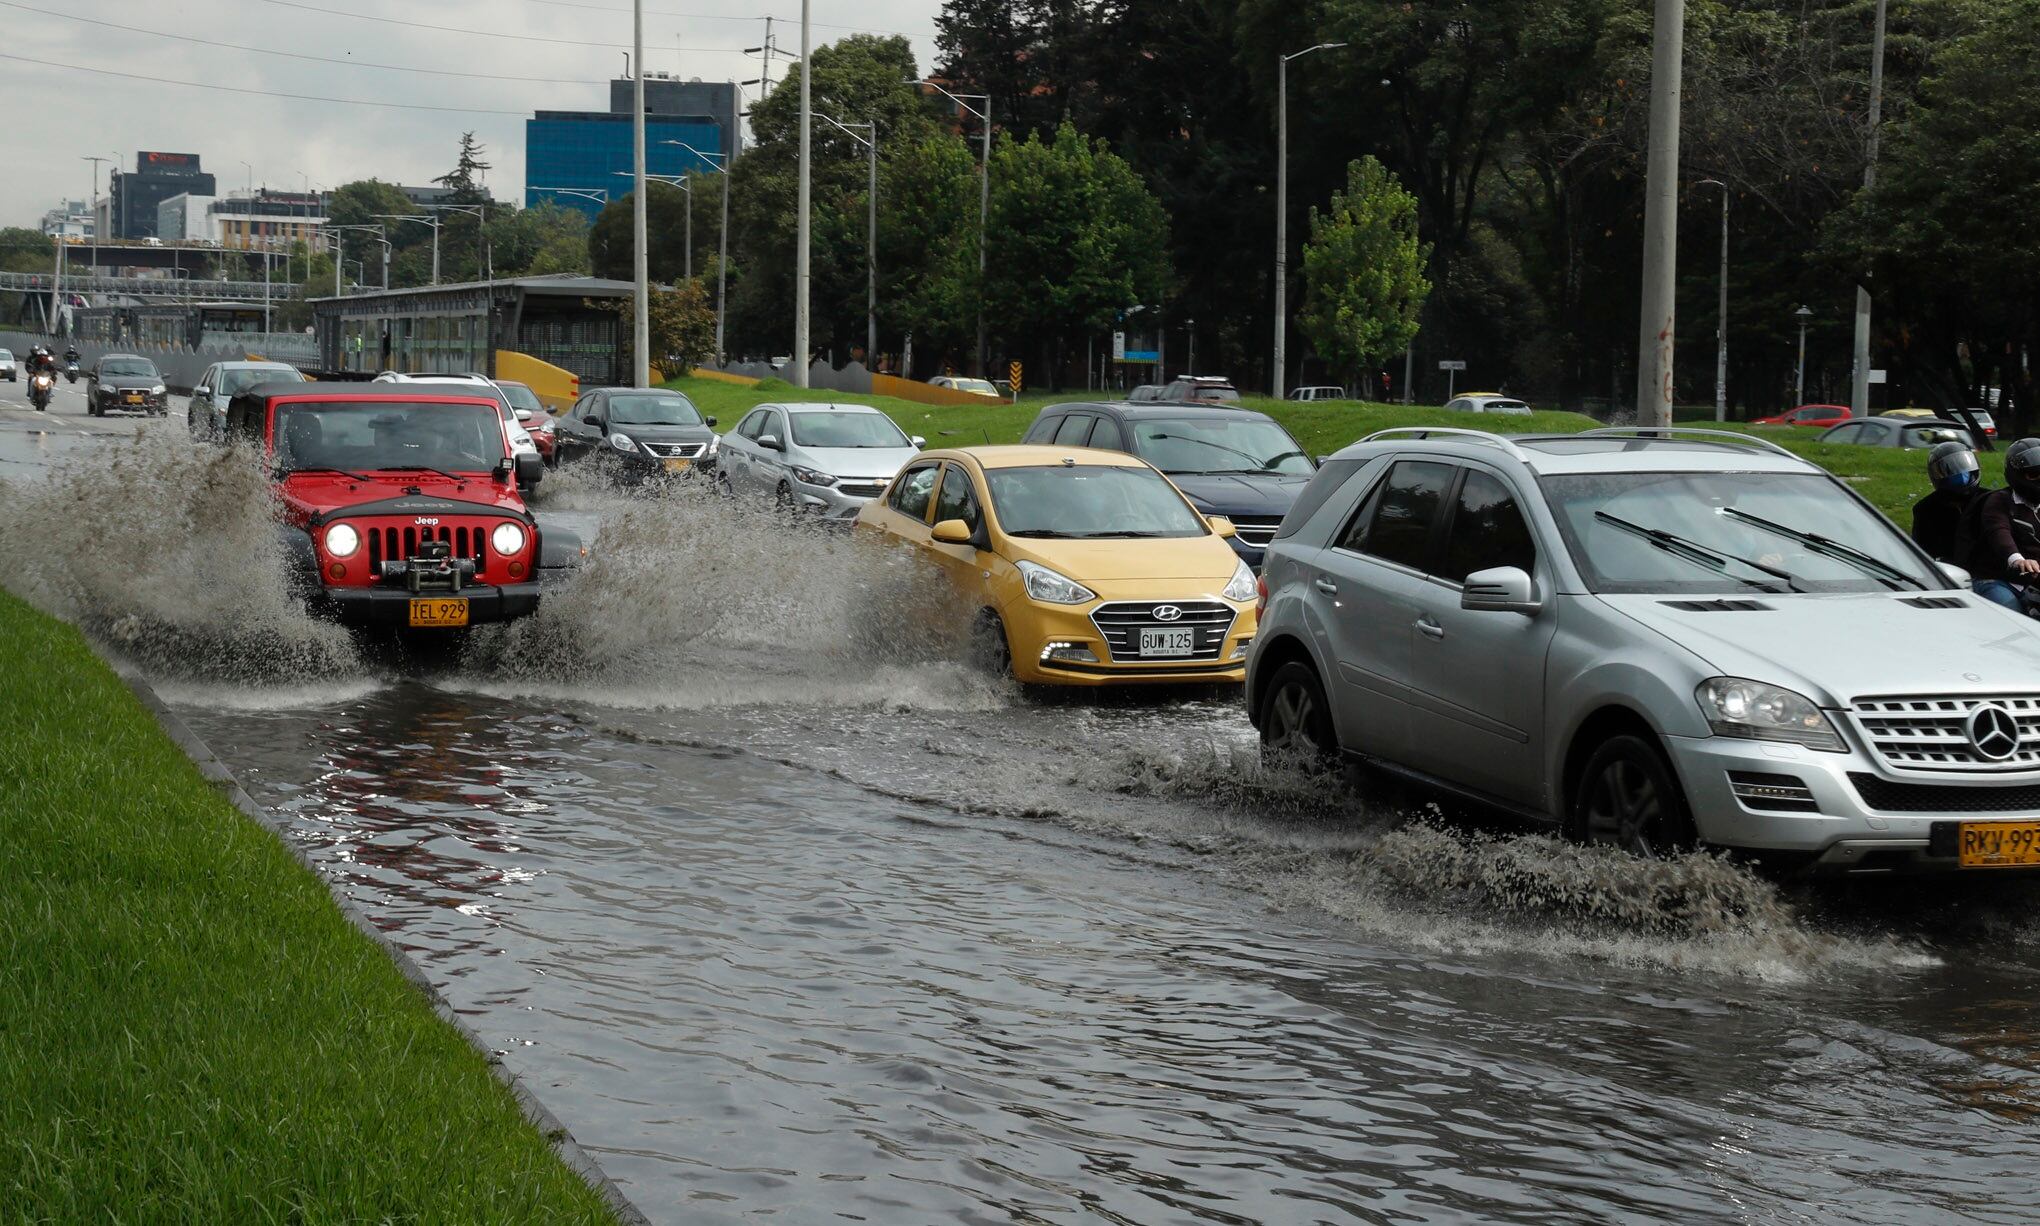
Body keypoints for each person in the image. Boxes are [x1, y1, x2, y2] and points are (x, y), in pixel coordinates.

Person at [1970, 437, 2040, 612]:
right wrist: (2017, 559)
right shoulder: (1999, 500)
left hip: (2034, 583)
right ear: (2016, 474)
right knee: (2013, 616)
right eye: (2034, 474)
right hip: (1998, 579)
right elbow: (1998, 531)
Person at [1910, 440, 1985, 565]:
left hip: (1986, 569)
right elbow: (1921, 552)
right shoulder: (1926, 509)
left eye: (1963, 468)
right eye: (1951, 472)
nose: (1960, 477)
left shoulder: (1989, 499)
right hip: (1948, 570)